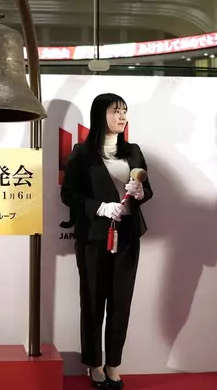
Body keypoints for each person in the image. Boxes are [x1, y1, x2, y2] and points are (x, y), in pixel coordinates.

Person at [60, 93, 153, 389]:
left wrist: (140, 194)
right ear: (101, 115)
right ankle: (95, 365)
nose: (122, 117)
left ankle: (113, 364)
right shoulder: (82, 153)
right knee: (92, 302)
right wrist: (99, 208)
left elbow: (146, 189)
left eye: (125, 111)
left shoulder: (134, 151)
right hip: (94, 238)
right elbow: (69, 194)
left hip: (126, 237)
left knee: (121, 303)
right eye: (116, 111)